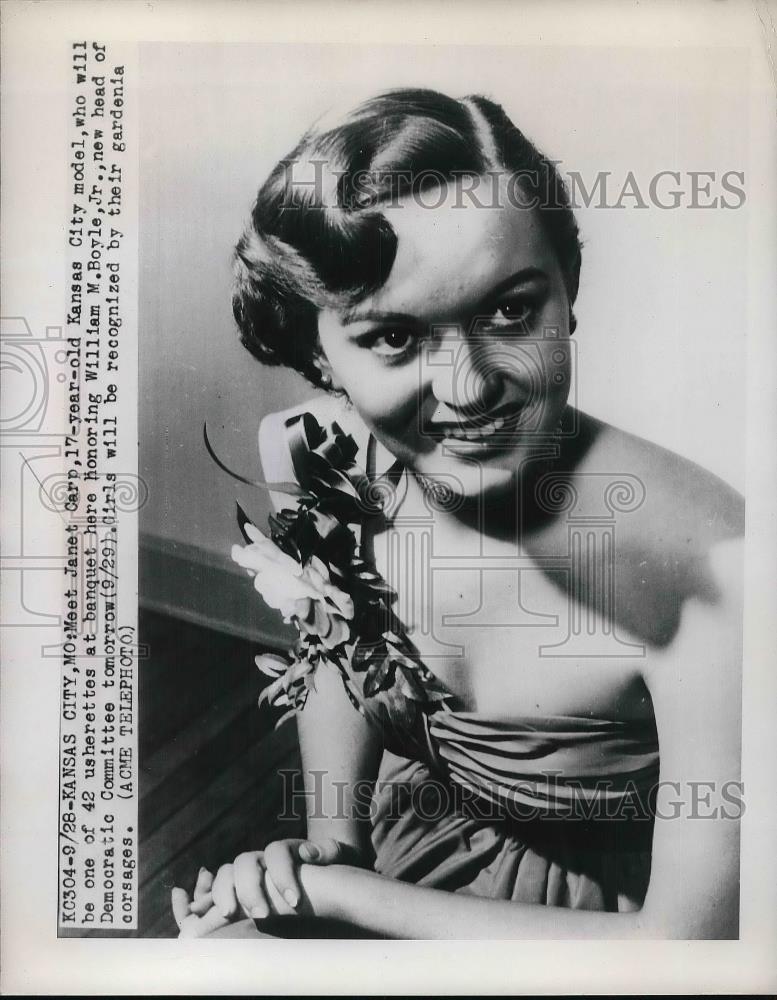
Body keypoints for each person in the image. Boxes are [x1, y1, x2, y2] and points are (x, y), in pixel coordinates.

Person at [172, 88, 744, 939]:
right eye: (393, 338)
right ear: (318, 352)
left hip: (619, 927)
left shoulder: (716, 561)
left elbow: (688, 949)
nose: (469, 387)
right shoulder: (309, 454)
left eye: (511, 310)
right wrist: (331, 849)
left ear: (568, 290)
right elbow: (339, 654)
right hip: (424, 844)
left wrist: (343, 900)